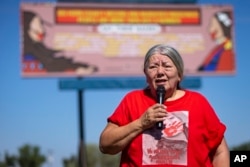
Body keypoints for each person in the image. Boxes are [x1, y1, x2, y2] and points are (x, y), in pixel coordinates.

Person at [99, 44, 229, 167]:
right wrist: (141, 123)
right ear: (146, 74)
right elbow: (105, 145)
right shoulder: (132, 100)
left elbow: (220, 151)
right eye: (153, 67)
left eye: (167, 66)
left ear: (179, 75)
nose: (160, 71)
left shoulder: (198, 102)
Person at [22, 11, 98, 74]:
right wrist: (75, 71)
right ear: (26, 31)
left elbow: (54, 64)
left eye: (42, 25)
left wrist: (77, 68)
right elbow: (47, 69)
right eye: (36, 31)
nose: (43, 31)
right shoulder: (28, 58)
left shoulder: (40, 50)